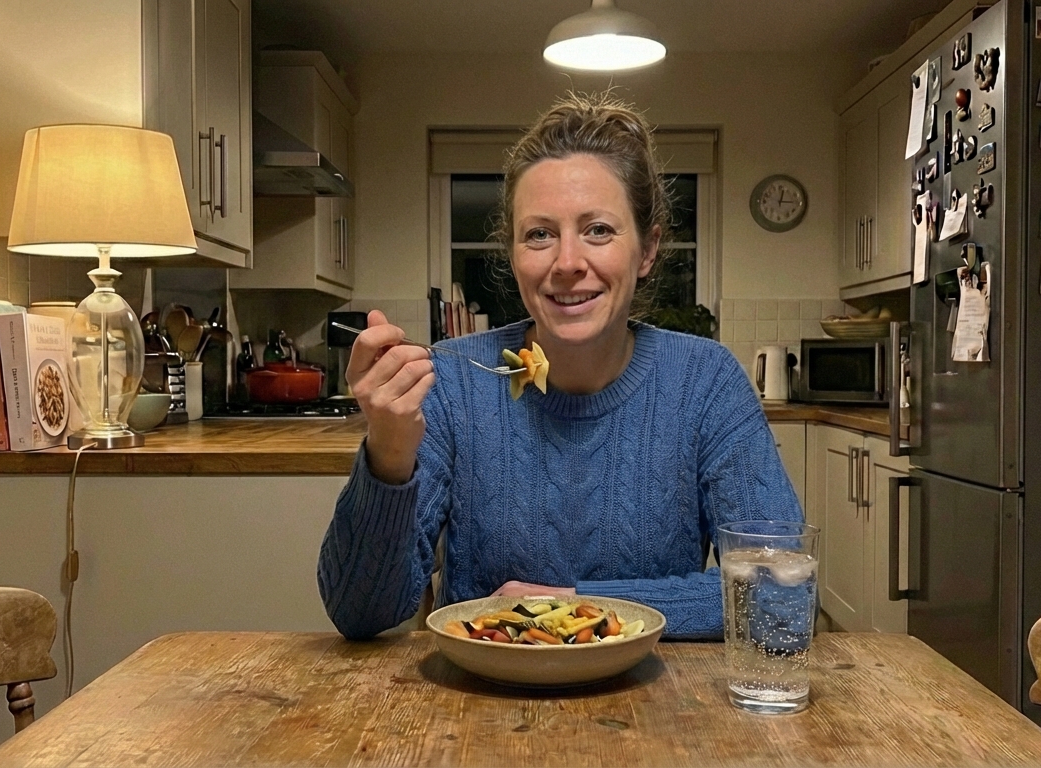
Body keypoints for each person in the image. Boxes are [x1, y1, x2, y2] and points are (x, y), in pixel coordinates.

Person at [317, 91, 802, 640]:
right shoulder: (452, 382)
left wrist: (577, 609)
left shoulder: (705, 381)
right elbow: (359, 615)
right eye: (540, 234)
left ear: (646, 251)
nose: (568, 263)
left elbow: (781, 598)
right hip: (481, 708)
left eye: (599, 230)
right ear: (514, 254)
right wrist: (388, 452)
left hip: (663, 710)